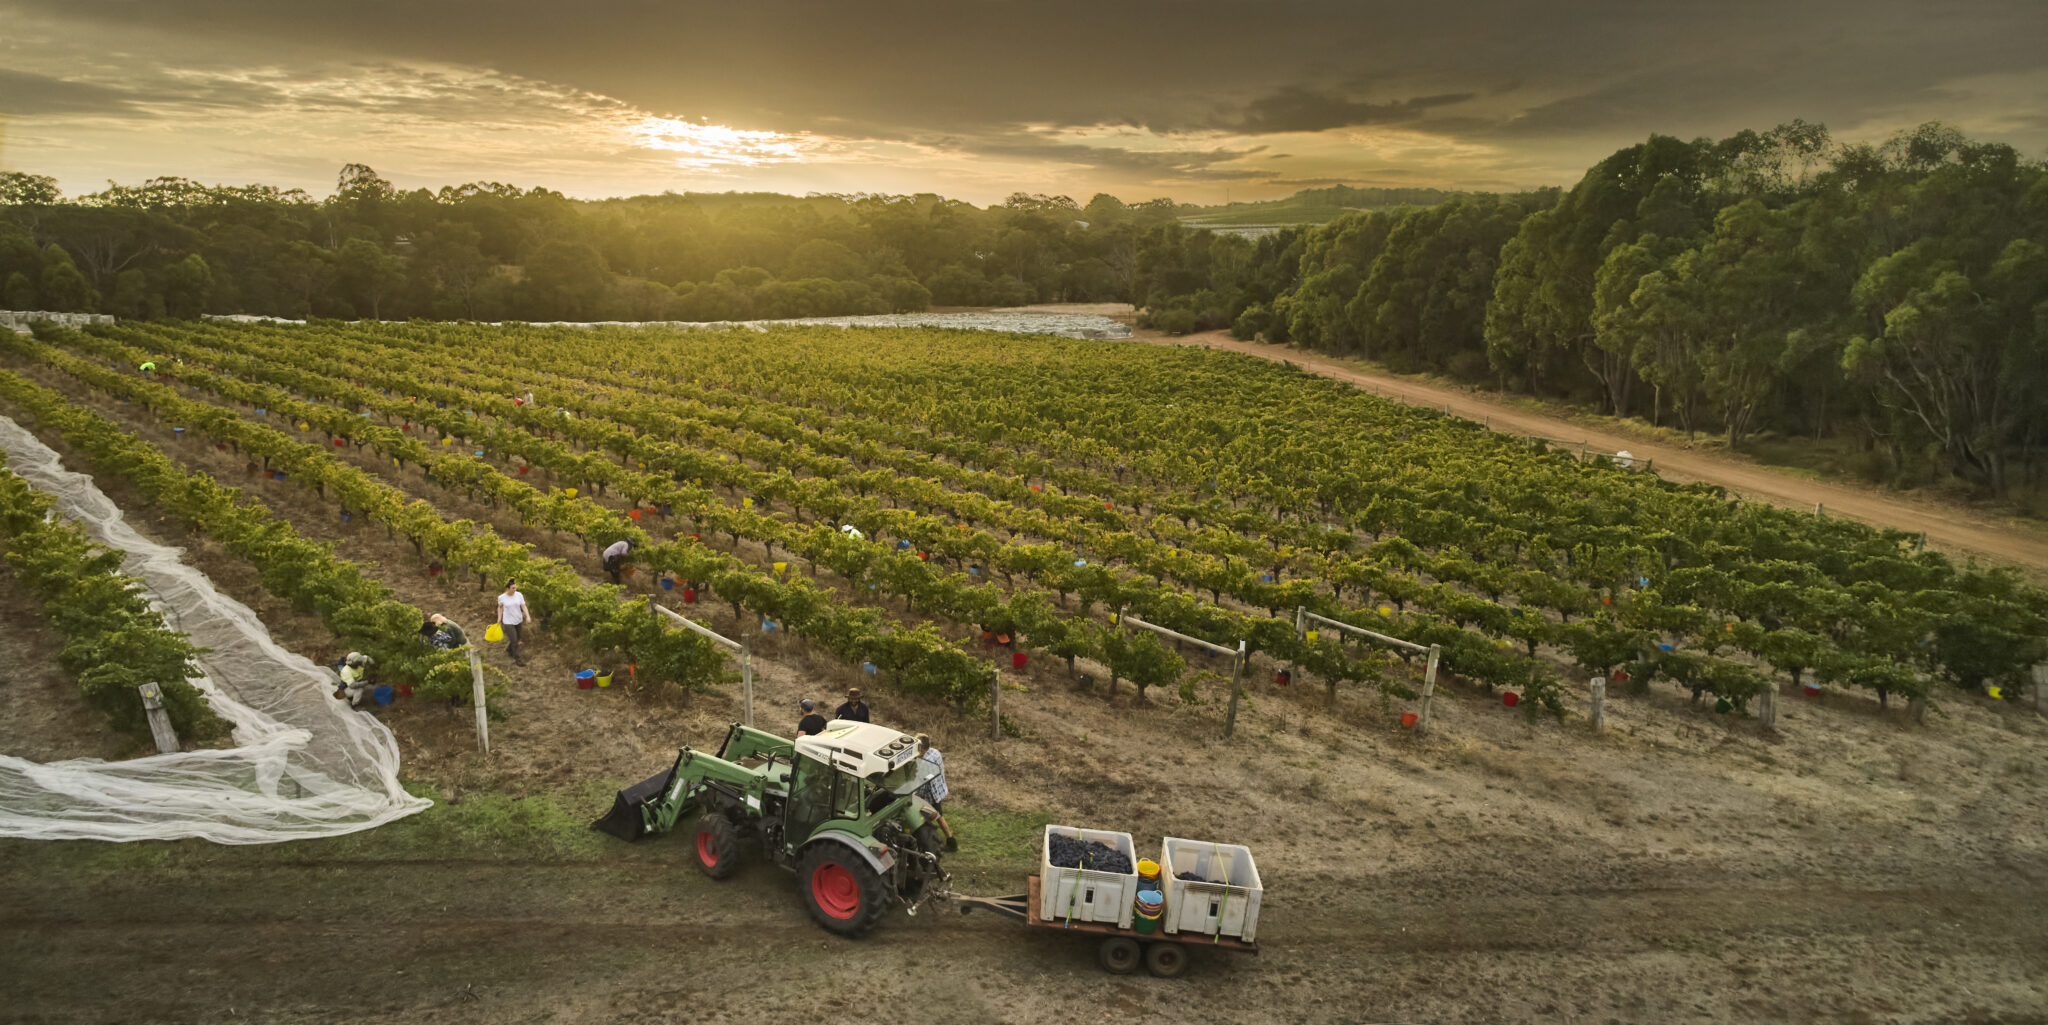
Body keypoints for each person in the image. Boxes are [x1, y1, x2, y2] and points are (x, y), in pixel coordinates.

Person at [915, 734, 958, 851]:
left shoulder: (925, 761)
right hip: (939, 789)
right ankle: (950, 841)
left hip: (931, 795)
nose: (917, 751)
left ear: (924, 749)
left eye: (919, 749)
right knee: (938, 816)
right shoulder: (935, 752)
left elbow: (922, 783)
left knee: (933, 817)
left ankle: (946, 842)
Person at [497, 579, 530, 666]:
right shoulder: (502, 597)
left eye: (515, 588)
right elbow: (500, 607)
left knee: (517, 638)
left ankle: (509, 649)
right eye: (513, 588)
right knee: (515, 641)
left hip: (518, 620)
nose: (514, 590)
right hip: (508, 622)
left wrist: (527, 616)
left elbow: (523, 606)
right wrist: (499, 618)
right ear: (508, 588)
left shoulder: (519, 595)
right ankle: (517, 659)